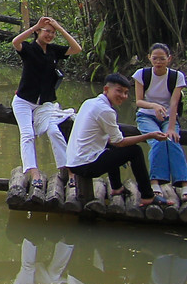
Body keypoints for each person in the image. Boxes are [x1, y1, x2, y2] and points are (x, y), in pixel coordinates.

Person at [64, 71, 169, 211]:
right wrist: (149, 135)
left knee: (113, 147)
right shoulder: (105, 110)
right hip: (85, 165)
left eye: (126, 93)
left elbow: (113, 140)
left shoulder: (89, 102)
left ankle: (117, 188)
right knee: (135, 151)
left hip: (74, 161)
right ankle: (147, 196)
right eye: (119, 91)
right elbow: (119, 142)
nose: (123, 96)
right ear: (106, 89)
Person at [10, 15, 80, 185]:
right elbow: (15, 42)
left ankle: (69, 171)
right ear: (38, 32)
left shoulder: (54, 50)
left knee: (54, 132)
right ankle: (34, 174)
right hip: (23, 101)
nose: (50, 35)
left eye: (53, 33)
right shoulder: (28, 48)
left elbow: (76, 48)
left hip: (45, 104)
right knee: (27, 135)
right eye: (47, 31)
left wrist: (59, 27)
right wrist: (36, 26)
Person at [132, 43, 187, 206]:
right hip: (146, 115)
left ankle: (185, 183)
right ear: (149, 58)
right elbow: (139, 101)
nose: (158, 62)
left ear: (169, 59)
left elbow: (174, 103)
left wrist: (171, 128)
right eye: (155, 58)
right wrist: (154, 106)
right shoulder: (141, 74)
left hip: (169, 116)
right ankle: (155, 182)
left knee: (172, 140)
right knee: (158, 140)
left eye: (162, 59)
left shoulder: (177, 77)